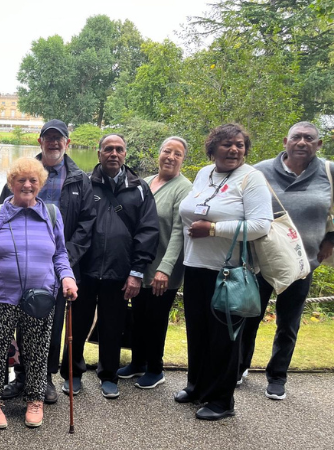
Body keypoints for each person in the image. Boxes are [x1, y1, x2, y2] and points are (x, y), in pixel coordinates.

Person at [0, 157, 78, 429]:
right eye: (21, 180)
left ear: (40, 184)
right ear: (11, 184)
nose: (27, 185)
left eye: (33, 180)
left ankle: (35, 399)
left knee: (37, 351)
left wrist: (67, 277)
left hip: (40, 297)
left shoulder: (51, 214)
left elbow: (61, 253)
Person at [177, 123, 272, 420]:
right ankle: (197, 386)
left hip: (229, 272)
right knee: (198, 331)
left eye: (240, 145)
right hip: (195, 267)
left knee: (224, 338)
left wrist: (215, 229)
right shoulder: (205, 173)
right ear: (212, 147)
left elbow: (260, 225)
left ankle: (221, 400)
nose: (234, 149)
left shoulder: (252, 178)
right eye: (227, 144)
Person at [0, 119, 94, 404]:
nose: (54, 142)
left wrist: (64, 259)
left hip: (58, 268)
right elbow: (3, 213)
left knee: (49, 325)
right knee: (19, 321)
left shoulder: (79, 178)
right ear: (40, 141)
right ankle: (22, 376)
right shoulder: (23, 171)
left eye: (59, 138)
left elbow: (87, 224)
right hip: (20, 266)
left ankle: (45, 377)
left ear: (68, 142)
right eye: (48, 138)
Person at [60, 133, 159, 400]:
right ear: (99, 153)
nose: (113, 154)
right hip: (84, 270)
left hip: (120, 270)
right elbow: (72, 225)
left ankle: (108, 375)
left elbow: (148, 231)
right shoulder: (83, 183)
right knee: (77, 325)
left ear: (125, 154)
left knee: (113, 326)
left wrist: (137, 272)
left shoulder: (139, 188)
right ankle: (73, 373)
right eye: (108, 149)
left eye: (119, 149)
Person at [240, 121, 334, 400]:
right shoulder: (259, 170)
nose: (302, 142)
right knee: (249, 318)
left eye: (309, 138)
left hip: (303, 263)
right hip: (260, 261)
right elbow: (243, 208)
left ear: (318, 145)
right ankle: (239, 368)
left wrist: (331, 238)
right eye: (296, 137)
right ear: (285, 141)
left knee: (288, 324)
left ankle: (277, 376)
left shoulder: (329, 172)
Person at [116, 137, 192, 389]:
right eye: (167, 151)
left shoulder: (184, 188)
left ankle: (155, 368)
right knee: (137, 315)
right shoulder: (146, 182)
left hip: (162, 268)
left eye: (177, 154)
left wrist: (165, 269)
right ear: (159, 154)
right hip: (140, 265)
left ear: (183, 159)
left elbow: (180, 232)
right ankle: (137, 363)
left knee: (155, 319)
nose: (170, 157)